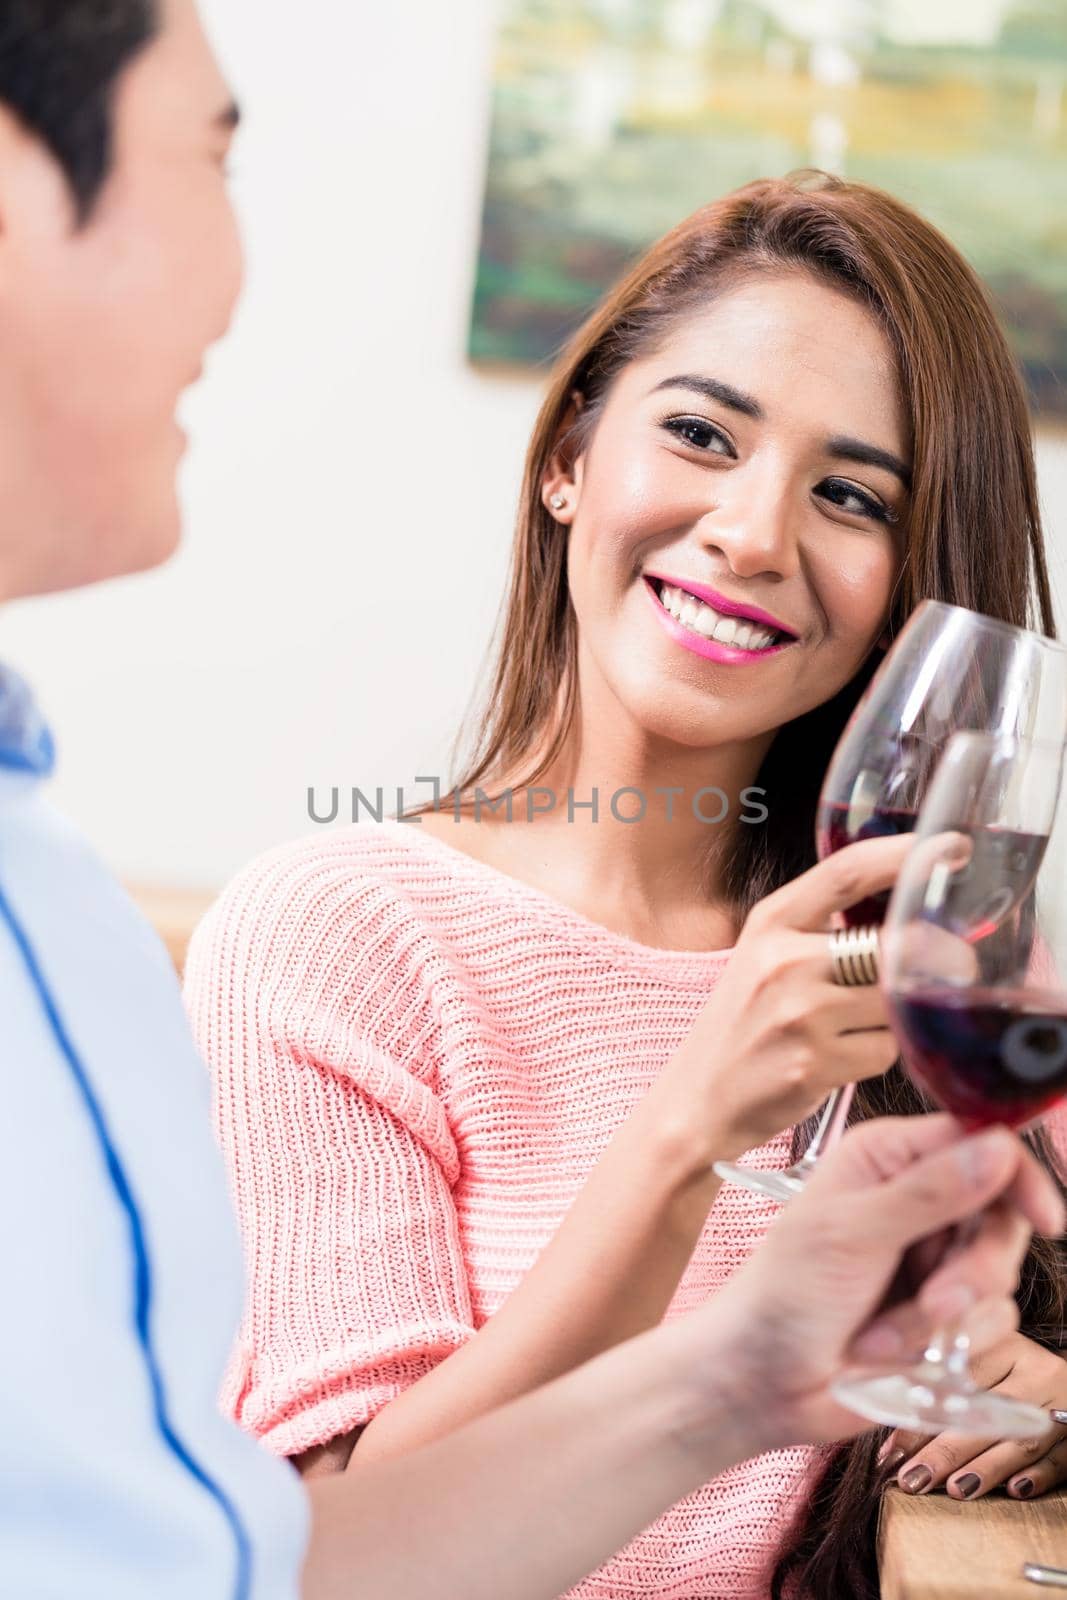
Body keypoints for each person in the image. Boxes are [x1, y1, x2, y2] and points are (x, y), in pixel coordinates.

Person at [2, 6, 1053, 1600]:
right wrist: (692, 1126)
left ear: (916, 578)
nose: (753, 532)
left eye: (851, 496)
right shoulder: (339, 930)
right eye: (699, 433)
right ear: (571, 454)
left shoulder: (927, 955)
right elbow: (341, 1544)